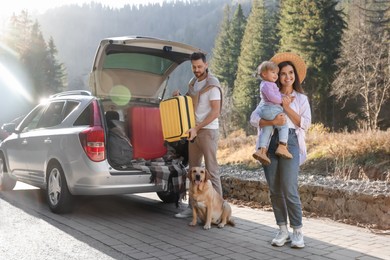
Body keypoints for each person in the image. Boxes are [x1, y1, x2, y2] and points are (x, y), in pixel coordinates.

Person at [250, 52, 311, 248]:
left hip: (290, 141)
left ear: (295, 75)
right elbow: (253, 119)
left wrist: (286, 107)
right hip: (269, 142)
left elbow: (305, 124)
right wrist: (272, 121)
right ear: (277, 75)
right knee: (275, 189)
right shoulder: (269, 95)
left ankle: (298, 231)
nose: (287, 77)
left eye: (290, 73)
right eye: (283, 73)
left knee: (289, 187)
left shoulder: (301, 98)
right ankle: (282, 229)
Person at [174, 52, 223, 218]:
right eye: (194, 67)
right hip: (193, 132)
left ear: (206, 65)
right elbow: (190, 105)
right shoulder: (193, 83)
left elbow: (215, 112)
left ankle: (217, 210)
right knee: (192, 171)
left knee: (212, 171)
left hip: (208, 131)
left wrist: (198, 127)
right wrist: (179, 98)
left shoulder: (213, 85)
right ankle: (192, 207)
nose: (197, 70)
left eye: (200, 66)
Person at [252, 61, 292, 166]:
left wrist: (283, 97)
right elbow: (273, 97)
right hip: (271, 109)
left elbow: (276, 94)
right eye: (273, 72)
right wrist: (281, 100)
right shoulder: (267, 85)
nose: (276, 75)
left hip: (266, 111)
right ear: (264, 74)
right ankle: (282, 146)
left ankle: (262, 150)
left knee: (267, 130)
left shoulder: (267, 84)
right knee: (283, 124)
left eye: (277, 73)